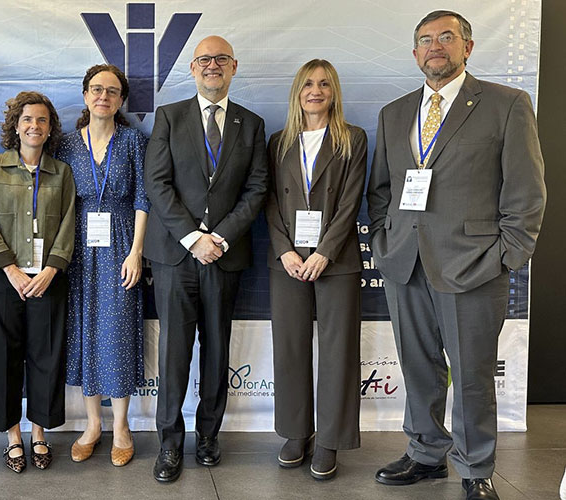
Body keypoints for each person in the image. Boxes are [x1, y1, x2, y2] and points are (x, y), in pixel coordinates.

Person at [367, 10, 546, 500]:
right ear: (414, 53)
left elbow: (527, 193)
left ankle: (475, 467)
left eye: (446, 37)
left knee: (470, 373)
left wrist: (508, 255)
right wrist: (386, 245)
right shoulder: (395, 112)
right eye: (425, 39)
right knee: (419, 366)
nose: (435, 46)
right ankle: (425, 453)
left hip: (473, 264)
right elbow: (381, 190)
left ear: (468, 46)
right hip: (406, 262)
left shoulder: (507, 104)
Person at [144, 35, 268, 482]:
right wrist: (193, 238)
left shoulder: (251, 124)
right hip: (176, 258)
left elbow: (256, 189)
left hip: (225, 257)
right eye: (203, 60)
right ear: (192, 69)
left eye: (220, 59)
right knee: (174, 353)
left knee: (216, 352)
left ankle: (209, 436)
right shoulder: (169, 117)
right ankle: (170, 444)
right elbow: (157, 184)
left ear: (233, 66)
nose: (212, 66)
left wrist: (220, 238)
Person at [265, 59, 367, 480]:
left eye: (324, 84)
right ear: (297, 91)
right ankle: (295, 431)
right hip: (287, 261)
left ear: (334, 91)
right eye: (308, 83)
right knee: (289, 347)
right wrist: (285, 250)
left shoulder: (352, 139)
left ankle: (330, 438)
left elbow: (351, 202)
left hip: (336, 259)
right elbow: (268, 200)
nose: (316, 90)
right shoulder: (278, 142)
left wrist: (325, 251)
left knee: (338, 351)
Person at [55, 64, 149, 467]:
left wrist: (136, 252)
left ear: (121, 99)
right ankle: (93, 424)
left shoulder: (132, 141)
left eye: (111, 91)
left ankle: (122, 426)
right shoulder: (65, 144)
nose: (103, 97)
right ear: (85, 95)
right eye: (96, 89)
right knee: (85, 333)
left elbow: (144, 197)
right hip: (77, 249)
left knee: (118, 332)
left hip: (122, 244)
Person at [0, 91, 76, 473]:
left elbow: (67, 224)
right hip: (5, 278)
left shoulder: (61, 172)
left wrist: (50, 270)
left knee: (45, 355)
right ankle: (13, 436)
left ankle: (39, 433)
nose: (34, 126)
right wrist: (11, 270)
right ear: (15, 126)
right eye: (27, 119)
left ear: (50, 129)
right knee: (3, 357)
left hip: (48, 278)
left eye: (42, 120)